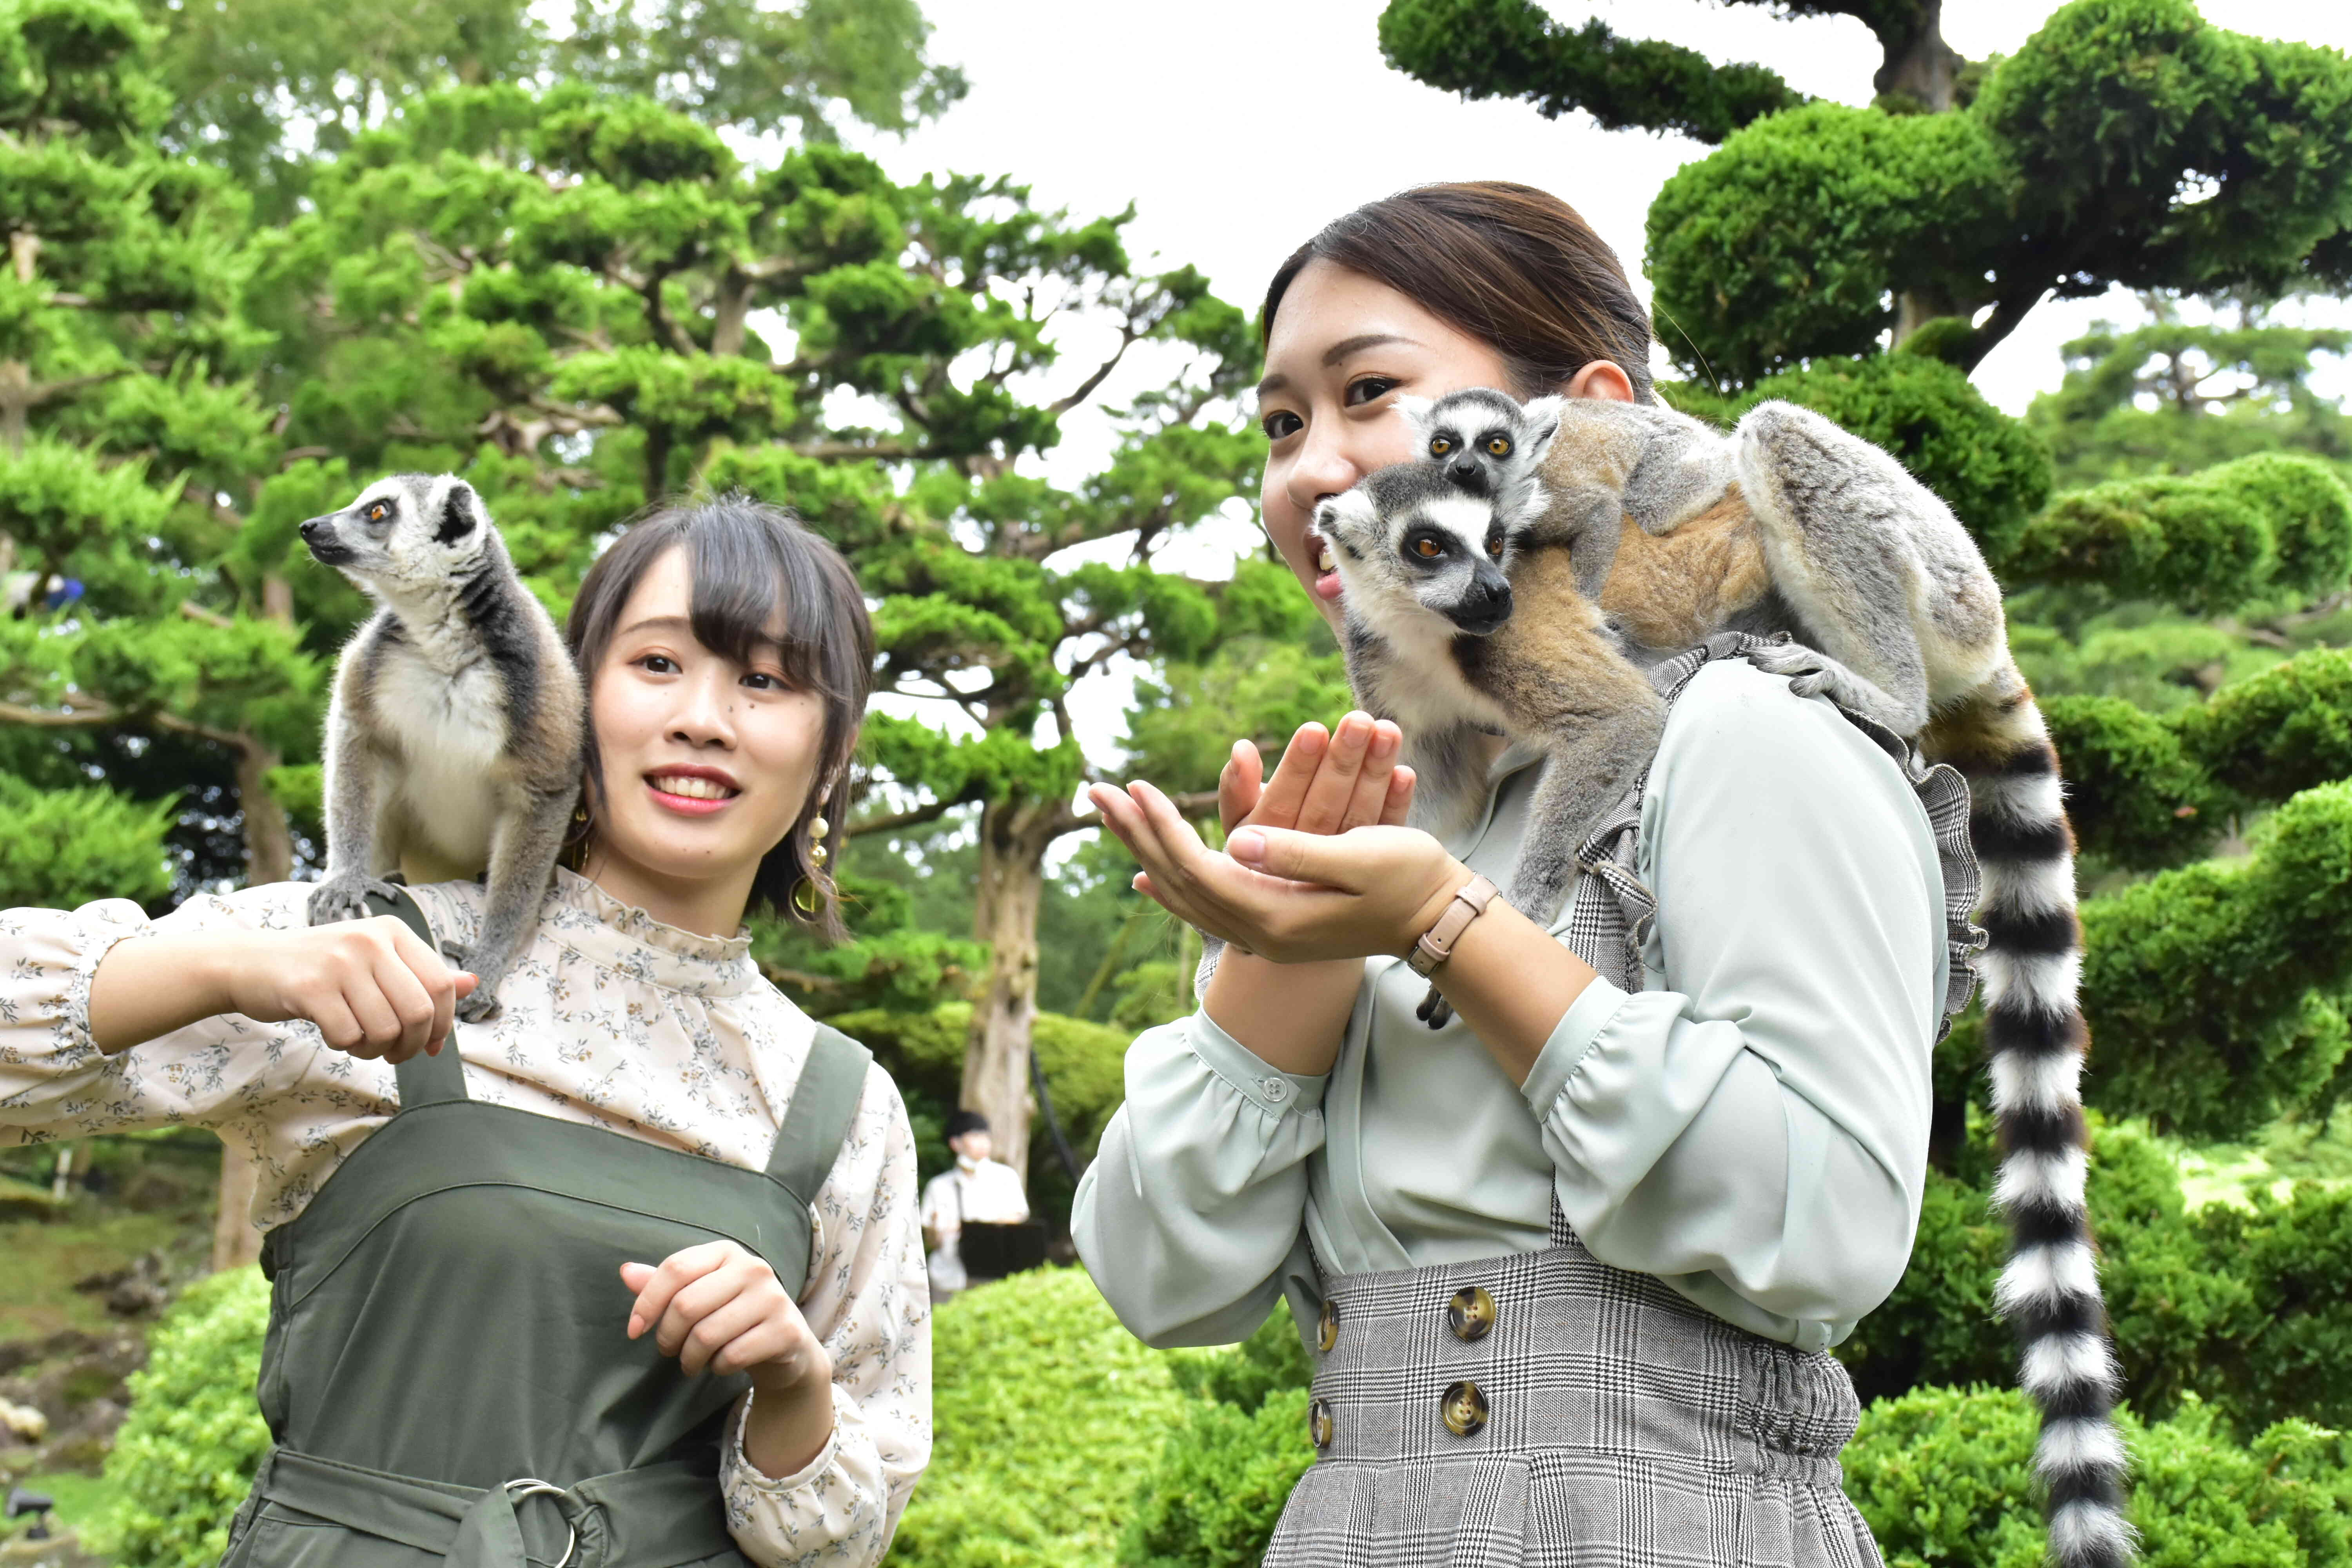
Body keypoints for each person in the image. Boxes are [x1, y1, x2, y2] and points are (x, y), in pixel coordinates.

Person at [1073, 182, 1973, 1565]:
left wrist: (1443, 927)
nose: (1310, 470)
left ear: (1588, 416)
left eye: (1370, 391)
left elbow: (1833, 1223)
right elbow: (1160, 1283)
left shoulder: (1740, 730)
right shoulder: (1404, 805)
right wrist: (1286, 960)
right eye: (1278, 424)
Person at [0, 498, 929, 1568]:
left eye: (764, 681)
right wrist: (224, 966)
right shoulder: (360, 952)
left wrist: (794, 1380)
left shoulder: (840, 1105)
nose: (704, 720)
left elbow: (838, 1543)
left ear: (832, 748)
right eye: (660, 664)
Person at [918, 1111, 1031, 1300]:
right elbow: (931, 1240)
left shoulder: (1005, 1177)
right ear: (956, 1143)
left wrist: (975, 1229)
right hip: (948, 1276)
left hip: (992, 1274)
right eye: (976, 1136)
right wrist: (939, 1232)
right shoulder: (939, 1186)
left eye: (987, 1137)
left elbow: (1018, 1217)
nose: (983, 1143)